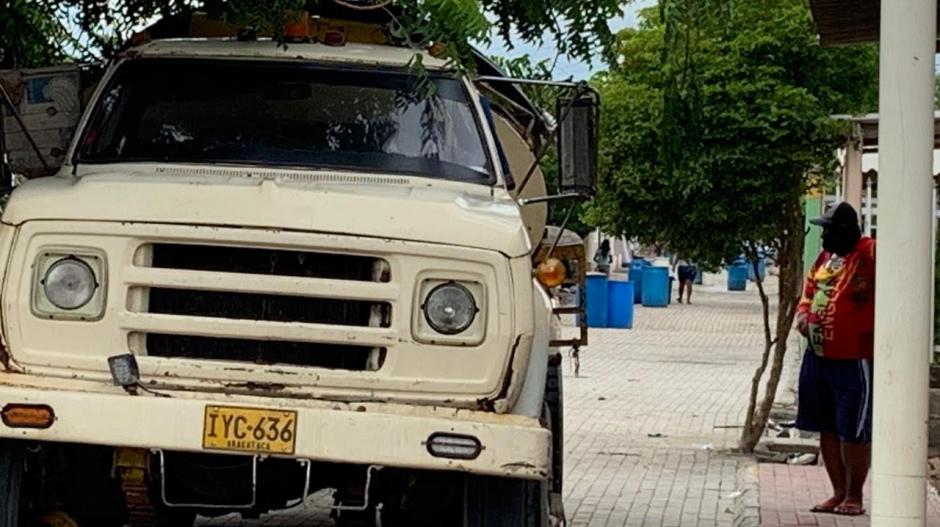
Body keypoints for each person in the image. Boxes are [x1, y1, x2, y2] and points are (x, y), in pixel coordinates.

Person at [796, 202, 875, 517]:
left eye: (828, 229)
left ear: (844, 231)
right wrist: (803, 314)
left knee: (852, 429)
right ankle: (837, 492)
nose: (824, 235)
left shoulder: (868, 253)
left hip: (854, 357)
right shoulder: (824, 258)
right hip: (818, 355)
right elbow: (809, 290)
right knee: (825, 426)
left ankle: (854, 496)